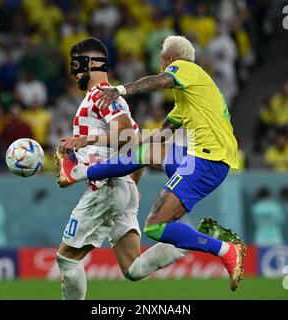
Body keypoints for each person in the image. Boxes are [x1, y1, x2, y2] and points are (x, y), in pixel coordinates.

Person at [57, 35, 246, 291]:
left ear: (169, 59)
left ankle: (224, 248)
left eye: (162, 61)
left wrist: (120, 90)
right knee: (144, 153)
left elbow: (158, 82)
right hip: (206, 158)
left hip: (206, 158)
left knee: (155, 226)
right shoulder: (188, 100)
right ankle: (187, 239)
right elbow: (153, 143)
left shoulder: (187, 68)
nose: (162, 66)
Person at [55, 37, 188, 301]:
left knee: (67, 259)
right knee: (132, 268)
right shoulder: (110, 98)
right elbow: (137, 149)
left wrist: (88, 140)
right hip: (123, 184)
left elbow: (127, 136)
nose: (74, 72)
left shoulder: (100, 95)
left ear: (90, 63)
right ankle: (183, 245)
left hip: (106, 186)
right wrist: (130, 188)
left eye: (76, 65)